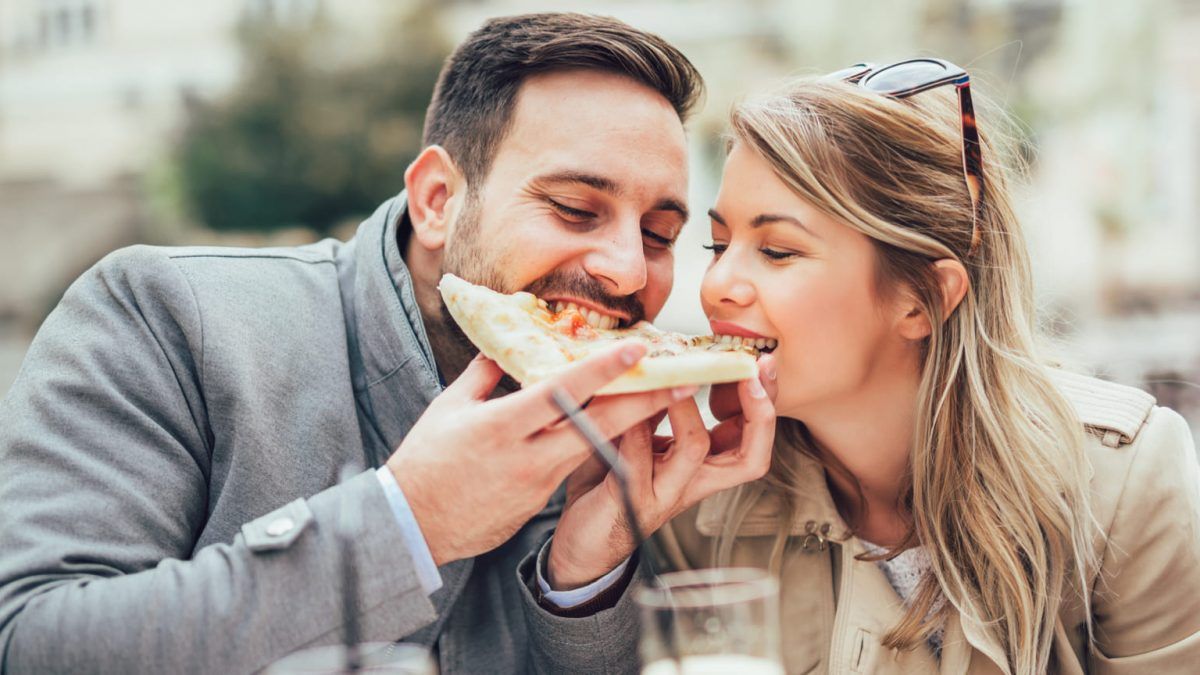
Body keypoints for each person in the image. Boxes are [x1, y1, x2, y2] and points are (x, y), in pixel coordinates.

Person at [0, 13, 777, 674]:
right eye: (576, 209)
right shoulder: (166, 314)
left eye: (660, 233)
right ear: (438, 200)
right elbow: (33, 640)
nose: (627, 268)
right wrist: (408, 521)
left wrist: (583, 583)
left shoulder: (625, 429)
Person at [546, 61, 1200, 673]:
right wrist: (582, 571)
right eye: (718, 244)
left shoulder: (1124, 485)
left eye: (776, 250)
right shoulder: (700, 494)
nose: (717, 284)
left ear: (923, 298)